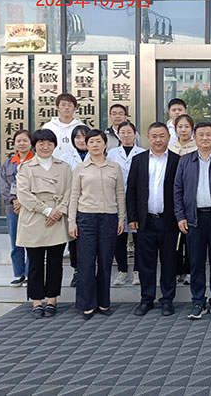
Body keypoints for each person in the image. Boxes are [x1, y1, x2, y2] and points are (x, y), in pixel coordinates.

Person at [174, 122, 211, 321]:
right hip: (193, 219)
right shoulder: (185, 161)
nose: (205, 138)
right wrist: (181, 216)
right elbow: (178, 191)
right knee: (196, 262)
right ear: (195, 137)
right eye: (201, 135)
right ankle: (198, 301)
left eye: (209, 134)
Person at [68, 129, 126, 320]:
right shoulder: (80, 168)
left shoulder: (114, 167)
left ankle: (103, 302)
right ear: (87, 144)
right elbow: (74, 195)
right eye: (91, 141)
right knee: (86, 263)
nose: (95, 145)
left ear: (105, 144)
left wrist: (121, 219)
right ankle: (87, 304)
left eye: (98, 141)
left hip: (109, 218)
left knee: (105, 262)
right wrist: (71, 222)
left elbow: (120, 194)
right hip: (86, 218)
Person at [15, 129, 72, 319]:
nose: (45, 147)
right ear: (34, 146)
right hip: (34, 218)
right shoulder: (25, 167)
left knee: (55, 262)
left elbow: (70, 191)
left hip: (57, 218)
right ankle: (37, 301)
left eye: (49, 143)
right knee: (35, 263)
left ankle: (52, 300)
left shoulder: (63, 167)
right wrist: (47, 211)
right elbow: (23, 194)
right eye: (41, 143)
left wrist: (58, 211)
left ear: (55, 146)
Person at [127, 122, 181, 317]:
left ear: (169, 138)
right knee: (145, 263)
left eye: (162, 136)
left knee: (169, 262)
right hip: (145, 220)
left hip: (169, 220)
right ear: (148, 138)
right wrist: (132, 216)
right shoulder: (138, 160)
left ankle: (167, 300)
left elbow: (180, 191)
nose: (158, 140)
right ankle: (146, 299)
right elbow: (131, 190)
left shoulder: (177, 160)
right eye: (154, 136)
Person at [107, 121, 146, 286]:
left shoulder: (142, 153)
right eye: (122, 132)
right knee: (119, 236)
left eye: (129, 132)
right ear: (118, 135)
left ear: (135, 134)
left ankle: (138, 271)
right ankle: (122, 270)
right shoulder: (111, 154)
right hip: (117, 199)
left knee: (139, 237)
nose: (126, 135)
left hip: (137, 199)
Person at [0, 129, 33, 287]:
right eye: (18, 141)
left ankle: (30, 274)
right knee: (15, 242)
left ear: (31, 143)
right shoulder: (8, 164)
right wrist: (14, 201)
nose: (22, 143)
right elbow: (4, 186)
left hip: (32, 208)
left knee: (31, 242)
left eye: (25, 140)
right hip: (13, 208)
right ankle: (19, 274)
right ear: (14, 144)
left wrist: (24, 201)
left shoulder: (36, 161)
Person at [59, 124, 90, 287]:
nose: (81, 140)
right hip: (73, 203)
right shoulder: (66, 157)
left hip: (92, 203)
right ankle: (77, 270)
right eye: (77, 137)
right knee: (74, 239)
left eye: (84, 137)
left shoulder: (97, 155)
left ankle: (89, 271)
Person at [168, 114, 198, 285]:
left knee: (190, 238)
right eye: (180, 127)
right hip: (173, 198)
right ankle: (177, 269)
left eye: (187, 127)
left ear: (192, 129)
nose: (183, 130)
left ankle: (189, 271)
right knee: (174, 238)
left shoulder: (197, 148)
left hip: (192, 198)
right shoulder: (170, 148)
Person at [41, 93, 84, 158]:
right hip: (52, 162)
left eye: (70, 105)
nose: (66, 108)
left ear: (75, 108)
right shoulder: (49, 126)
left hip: (76, 162)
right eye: (63, 105)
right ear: (57, 107)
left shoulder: (81, 127)